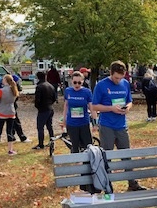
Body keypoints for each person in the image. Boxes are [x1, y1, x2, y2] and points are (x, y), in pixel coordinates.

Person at [92, 60, 146, 191]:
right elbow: (94, 106)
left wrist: (127, 108)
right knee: (107, 156)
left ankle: (132, 183)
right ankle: (107, 185)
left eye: (121, 78)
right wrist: (111, 108)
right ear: (110, 73)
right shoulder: (101, 85)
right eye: (116, 78)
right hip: (107, 126)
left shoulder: (125, 83)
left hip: (121, 125)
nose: (118, 80)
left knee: (126, 155)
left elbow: (129, 101)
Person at [63, 71, 95, 152]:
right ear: (71, 81)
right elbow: (66, 105)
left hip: (84, 123)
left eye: (79, 83)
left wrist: (95, 122)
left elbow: (91, 107)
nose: (77, 85)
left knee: (88, 146)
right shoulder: (68, 91)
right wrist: (64, 119)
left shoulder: (87, 92)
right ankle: (76, 158)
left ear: (82, 82)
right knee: (74, 146)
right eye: (75, 82)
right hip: (72, 123)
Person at [0, 74, 18, 156]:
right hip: (11, 112)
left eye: (3, 79)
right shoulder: (14, 90)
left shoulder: (0, 91)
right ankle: (10, 150)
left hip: (1, 112)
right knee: (9, 131)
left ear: (5, 80)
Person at [33, 71, 56, 150]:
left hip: (43, 109)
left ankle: (41, 144)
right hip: (50, 108)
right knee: (49, 126)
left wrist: (38, 106)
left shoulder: (39, 87)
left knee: (40, 127)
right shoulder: (50, 85)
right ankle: (52, 141)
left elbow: (37, 100)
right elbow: (54, 98)